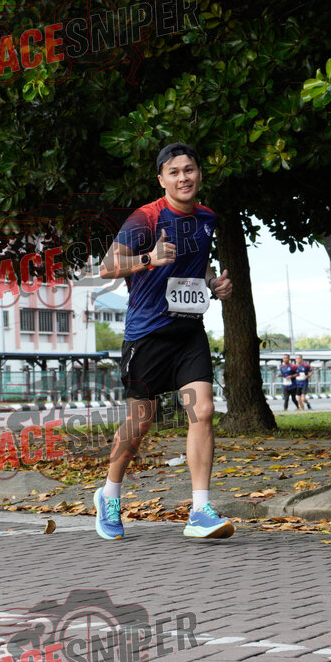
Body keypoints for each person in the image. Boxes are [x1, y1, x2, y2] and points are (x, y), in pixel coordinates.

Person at [95, 141, 235, 541]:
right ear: (162, 180)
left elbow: (198, 266)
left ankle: (200, 510)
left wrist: (213, 284)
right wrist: (149, 259)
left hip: (188, 331)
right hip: (147, 333)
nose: (183, 178)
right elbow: (106, 267)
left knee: (203, 410)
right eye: (174, 172)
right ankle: (109, 494)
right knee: (140, 423)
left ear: (199, 174)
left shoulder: (206, 217)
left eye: (189, 170)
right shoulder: (146, 218)